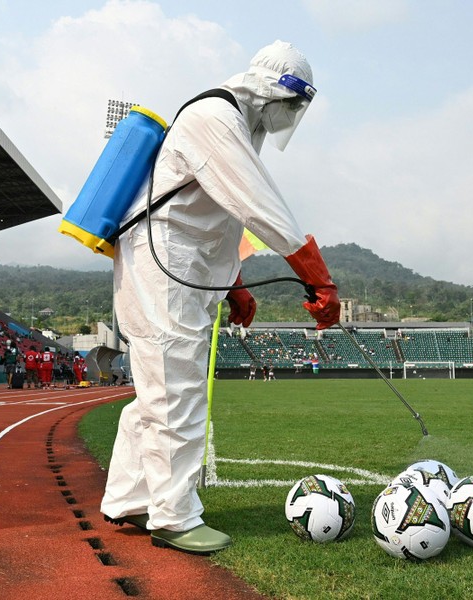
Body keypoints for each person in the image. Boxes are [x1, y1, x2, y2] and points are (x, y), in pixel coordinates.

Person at [100, 41, 339, 555]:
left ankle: (129, 499)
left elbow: (220, 216)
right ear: (274, 90)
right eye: (292, 104)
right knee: (177, 390)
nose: (290, 116)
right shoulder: (215, 116)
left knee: (159, 390)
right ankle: (174, 516)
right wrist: (319, 279)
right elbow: (260, 207)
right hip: (163, 263)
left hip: (182, 265)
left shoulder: (240, 126)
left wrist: (235, 286)